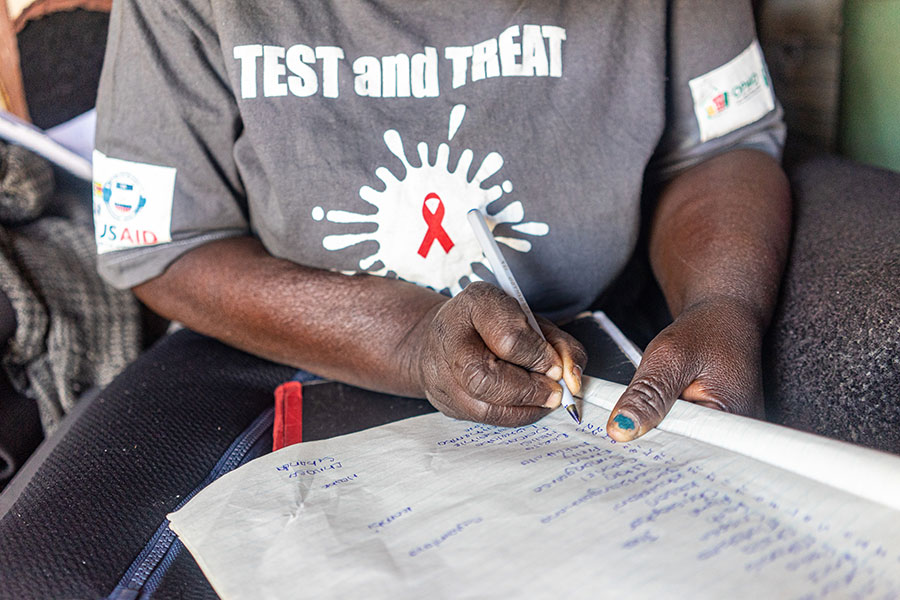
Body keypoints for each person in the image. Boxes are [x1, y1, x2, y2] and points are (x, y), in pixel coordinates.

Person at [91, 0, 789, 442]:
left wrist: (725, 303)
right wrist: (409, 338)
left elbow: (720, 147)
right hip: (286, 362)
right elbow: (160, 240)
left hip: (606, 341)